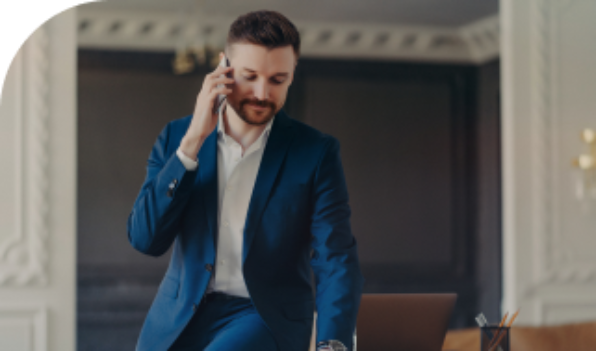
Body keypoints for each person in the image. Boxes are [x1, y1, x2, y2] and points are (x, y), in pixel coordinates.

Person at [127, 10, 364, 351]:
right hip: (178, 318)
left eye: (277, 79)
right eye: (249, 76)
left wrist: (334, 344)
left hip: (263, 318)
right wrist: (192, 143)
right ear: (224, 67)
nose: (262, 93)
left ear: (293, 74)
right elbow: (145, 239)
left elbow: (335, 255)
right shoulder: (176, 137)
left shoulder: (316, 152)